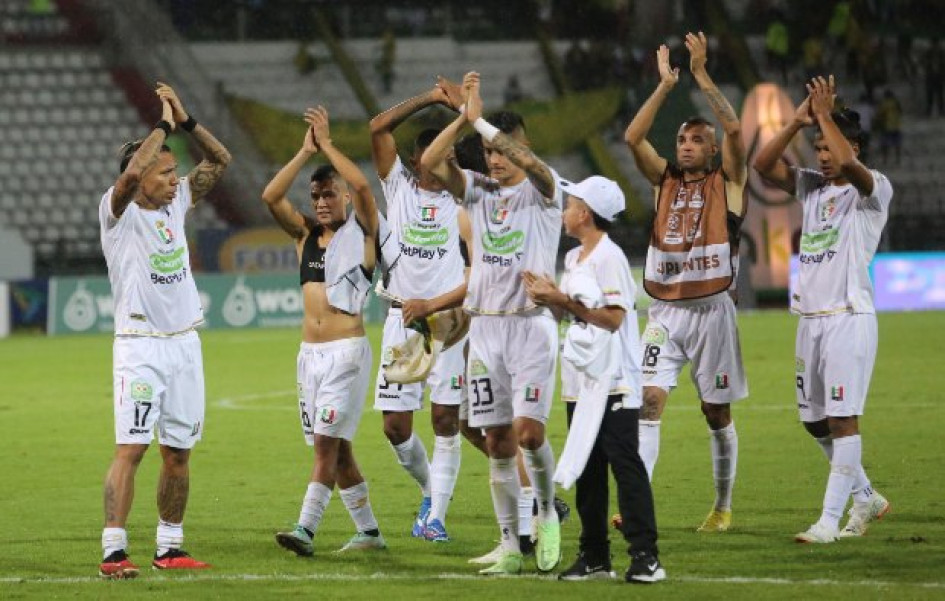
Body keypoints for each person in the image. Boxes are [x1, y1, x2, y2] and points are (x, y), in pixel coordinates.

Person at [421, 72, 563, 575]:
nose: (495, 158)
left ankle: (546, 514)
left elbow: (534, 166)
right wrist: (461, 118)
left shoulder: (547, 191)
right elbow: (429, 162)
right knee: (498, 443)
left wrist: (478, 119)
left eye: (503, 149)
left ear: (522, 148)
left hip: (530, 326)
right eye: (488, 151)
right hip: (486, 330)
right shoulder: (478, 193)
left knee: (528, 435)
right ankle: (508, 544)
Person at [98, 82, 231, 579]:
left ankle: (169, 547)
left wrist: (187, 119)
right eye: (166, 172)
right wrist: (162, 124)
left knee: (178, 452)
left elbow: (221, 160)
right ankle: (114, 550)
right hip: (139, 348)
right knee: (131, 448)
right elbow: (132, 171)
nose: (176, 180)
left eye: (176, 171)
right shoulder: (117, 214)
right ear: (142, 179)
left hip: (185, 344)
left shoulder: (177, 205)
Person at [753, 75, 892, 543]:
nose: (823, 156)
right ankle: (867, 496)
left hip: (847, 318)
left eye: (829, 147)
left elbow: (852, 165)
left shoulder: (873, 191)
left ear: (851, 146)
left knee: (842, 419)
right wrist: (795, 123)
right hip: (809, 320)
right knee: (813, 421)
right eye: (818, 149)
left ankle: (830, 522)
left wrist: (827, 116)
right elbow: (762, 164)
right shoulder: (812, 188)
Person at [623, 32, 747, 533]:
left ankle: (721, 506)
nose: (687, 146)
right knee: (648, 401)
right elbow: (632, 139)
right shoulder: (664, 182)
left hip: (712, 311)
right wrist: (664, 87)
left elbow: (736, 131)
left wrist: (700, 76)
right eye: (682, 140)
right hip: (666, 313)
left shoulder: (729, 181)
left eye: (697, 140)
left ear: (712, 149)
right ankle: (638, 504)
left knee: (714, 413)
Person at [523, 177, 665, 583]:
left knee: (625, 465)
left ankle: (646, 556)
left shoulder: (610, 257)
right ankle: (595, 556)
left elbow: (614, 318)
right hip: (583, 379)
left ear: (585, 213)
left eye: (570, 204)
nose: (564, 211)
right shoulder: (573, 259)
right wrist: (548, 299)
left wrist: (562, 301)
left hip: (615, 378)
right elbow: (576, 315)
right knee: (588, 468)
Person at [261, 106, 386, 556]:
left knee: (324, 448)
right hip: (309, 357)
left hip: (346, 352)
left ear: (345, 199)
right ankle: (370, 533)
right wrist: (303, 151)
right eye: (315, 195)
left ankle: (305, 529)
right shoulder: (305, 237)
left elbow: (363, 185)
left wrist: (330, 146)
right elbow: (271, 197)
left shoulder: (365, 232)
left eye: (329, 194)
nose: (320, 202)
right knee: (339, 451)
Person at [368, 80, 472, 542]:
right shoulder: (398, 187)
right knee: (395, 427)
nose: (442, 164)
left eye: (449, 156)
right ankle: (432, 491)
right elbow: (377, 127)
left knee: (446, 420)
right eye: (434, 157)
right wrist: (430, 98)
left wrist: (467, 114)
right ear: (415, 162)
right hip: (402, 321)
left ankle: (437, 518)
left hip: (448, 322)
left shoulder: (463, 200)